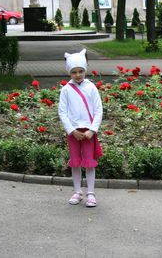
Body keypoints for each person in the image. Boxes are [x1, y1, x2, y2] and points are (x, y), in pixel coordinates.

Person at [58, 48, 103, 207]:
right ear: (69, 72)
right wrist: (71, 130)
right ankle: (77, 191)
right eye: (74, 72)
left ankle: (91, 193)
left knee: (89, 163)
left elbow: (98, 110)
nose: (77, 75)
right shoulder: (66, 90)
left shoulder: (91, 88)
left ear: (85, 70)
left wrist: (92, 130)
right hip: (74, 133)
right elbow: (62, 112)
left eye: (81, 71)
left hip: (88, 132)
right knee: (75, 163)